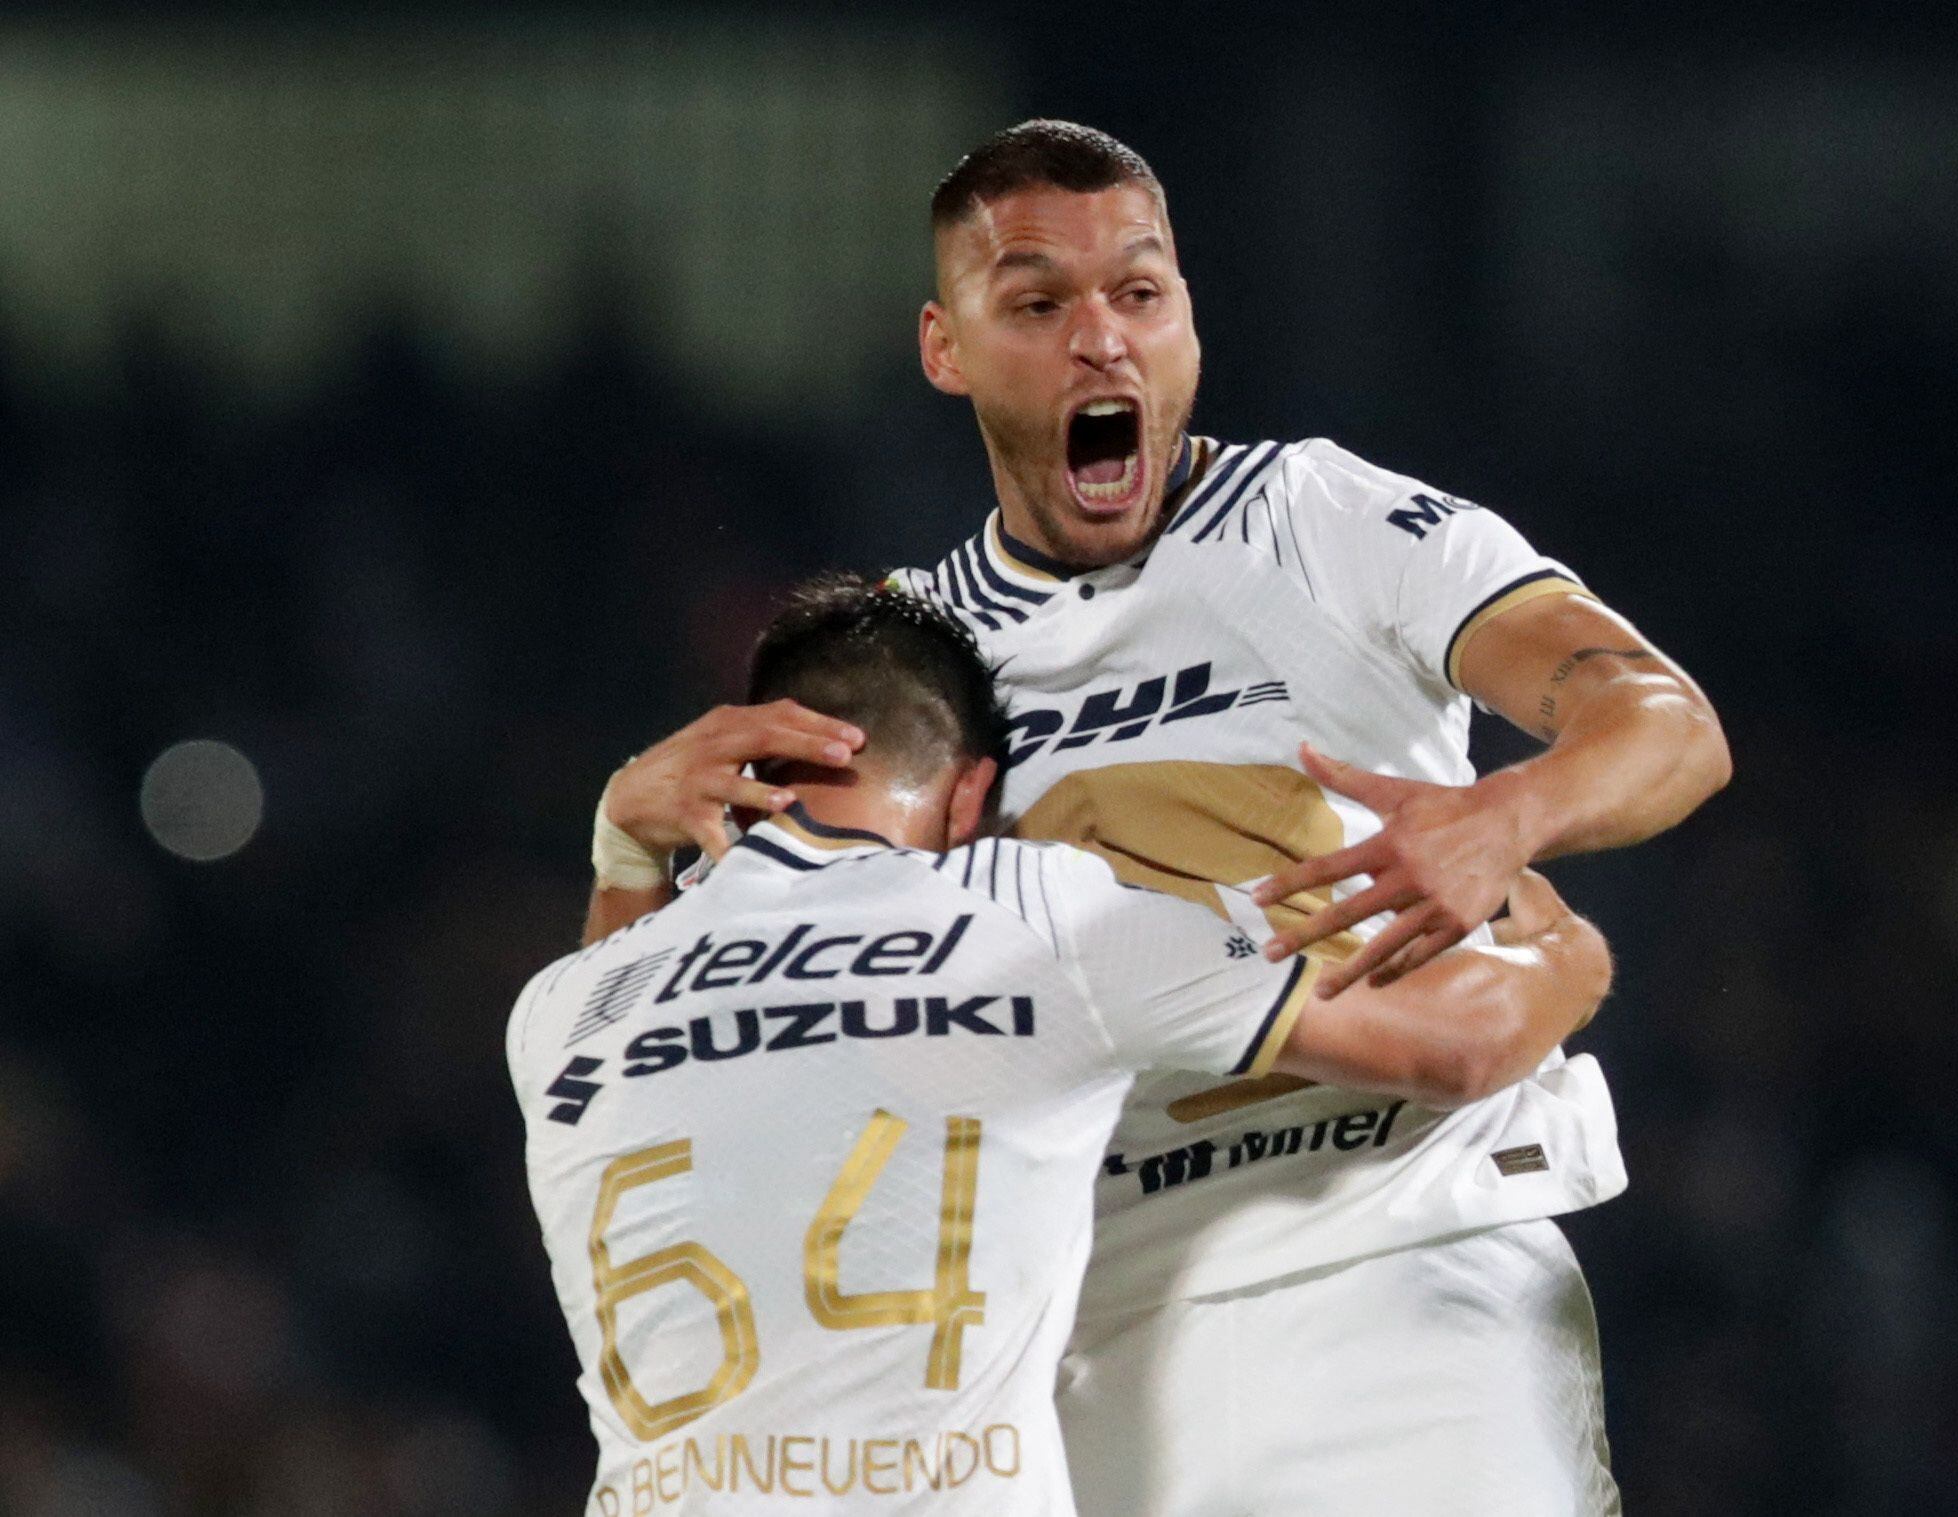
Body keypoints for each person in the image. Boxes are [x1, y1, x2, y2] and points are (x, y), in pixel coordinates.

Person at [586, 122, 1731, 1513]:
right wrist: (626, 848)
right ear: (944, 349)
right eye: (1036, 302)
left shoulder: (1315, 519)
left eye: (1139, 293)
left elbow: (1661, 720)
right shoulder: (898, 665)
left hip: (1402, 1272)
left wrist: (1508, 812)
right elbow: (661, 1045)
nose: (1100, 343)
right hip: (1081, 1339)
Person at [515, 578, 1611, 1516]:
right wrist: (1560, 942)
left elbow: (636, 1023)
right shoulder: (1027, 911)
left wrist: (624, 846)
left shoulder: (560, 1004)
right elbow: (1459, 1044)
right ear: (971, 799)